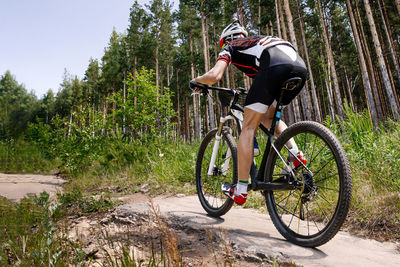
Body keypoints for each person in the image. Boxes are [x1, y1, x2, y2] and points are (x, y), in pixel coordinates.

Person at [190, 21, 307, 205]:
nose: (224, 47)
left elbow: (215, 76)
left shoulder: (231, 46)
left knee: (248, 127)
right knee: (269, 117)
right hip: (299, 67)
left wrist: (197, 81)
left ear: (228, 39)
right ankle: (296, 154)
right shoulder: (259, 42)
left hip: (274, 66)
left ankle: (241, 189)